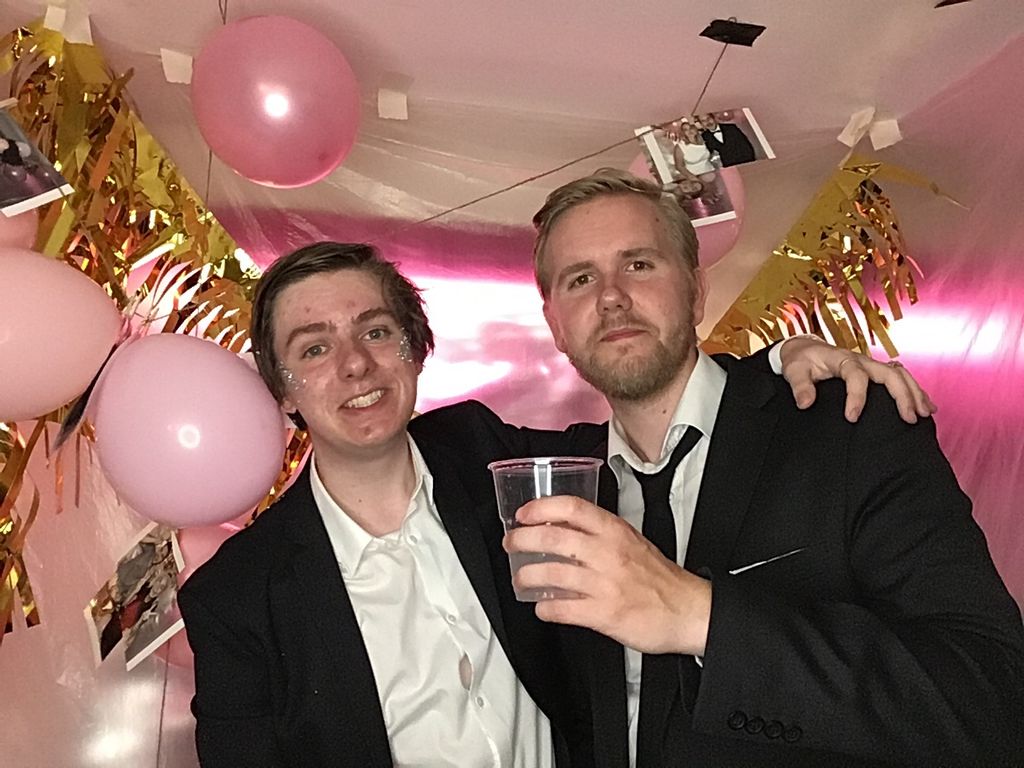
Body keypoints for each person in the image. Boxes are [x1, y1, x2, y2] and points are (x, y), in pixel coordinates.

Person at [179, 239, 932, 767]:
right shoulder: (236, 595)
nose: (354, 364)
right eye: (313, 348)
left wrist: (777, 362)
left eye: (377, 332)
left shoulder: (485, 455)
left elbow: (651, 421)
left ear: (413, 350)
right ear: (282, 389)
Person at [479, 168, 1024, 766]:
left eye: (639, 264)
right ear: (555, 324)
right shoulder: (559, 485)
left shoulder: (849, 425)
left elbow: (990, 696)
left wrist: (699, 616)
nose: (611, 296)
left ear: (696, 290)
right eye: (581, 278)